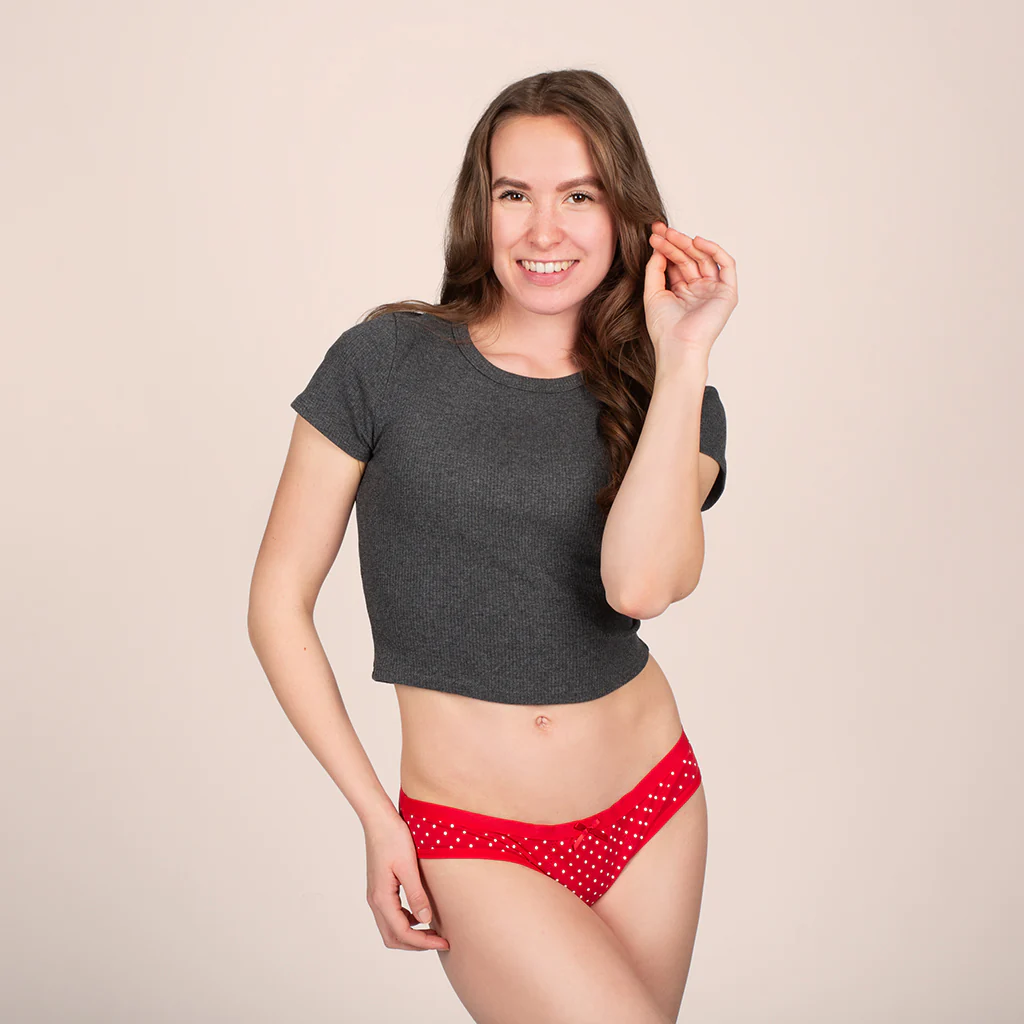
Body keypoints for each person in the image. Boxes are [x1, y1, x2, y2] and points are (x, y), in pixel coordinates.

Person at [248, 68, 737, 1024]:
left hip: (652, 804)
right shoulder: (383, 364)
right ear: (482, 208)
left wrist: (683, 359)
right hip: (477, 834)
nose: (543, 230)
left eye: (579, 197)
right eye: (515, 194)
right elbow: (277, 601)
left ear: (627, 214)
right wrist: (376, 816)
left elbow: (640, 586)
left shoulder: (676, 403)